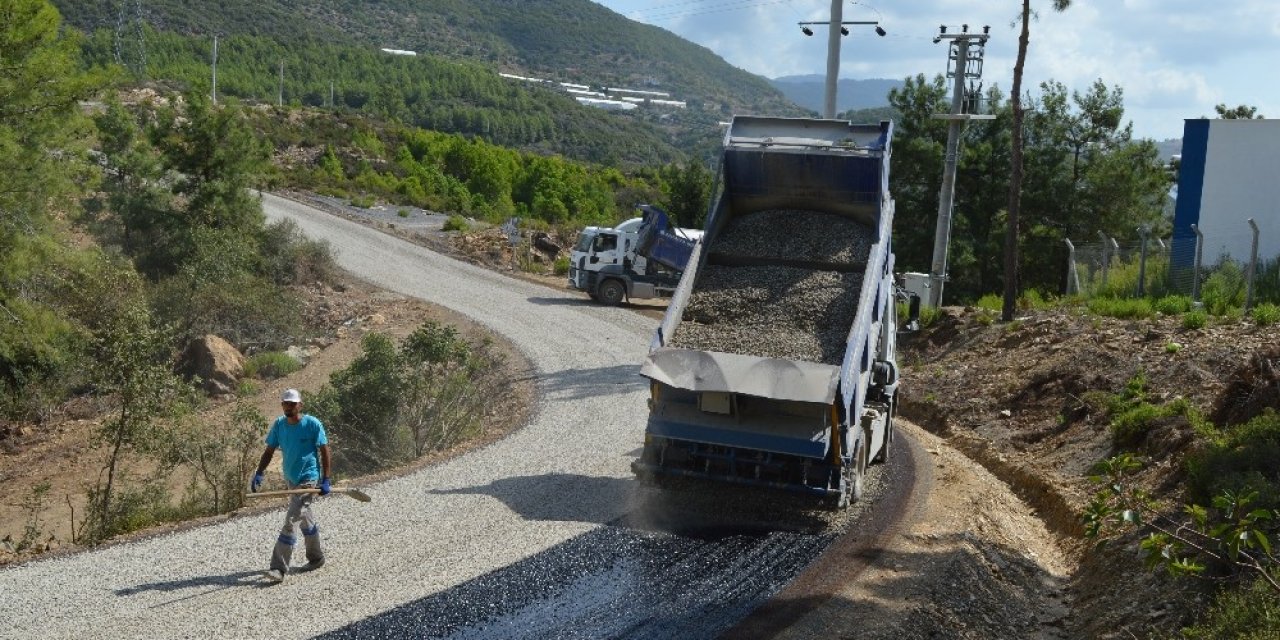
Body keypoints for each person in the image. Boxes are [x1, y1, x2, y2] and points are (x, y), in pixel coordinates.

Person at [251, 388, 331, 583]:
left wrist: (326, 479)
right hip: (291, 479)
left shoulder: (312, 424)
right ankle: (316, 557)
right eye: (285, 403)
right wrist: (259, 472)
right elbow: (269, 451)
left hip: (308, 479)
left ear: (300, 405)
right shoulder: (279, 425)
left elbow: (325, 451)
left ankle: (278, 568)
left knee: (291, 521)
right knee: (305, 519)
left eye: (292, 404)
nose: (288, 407)